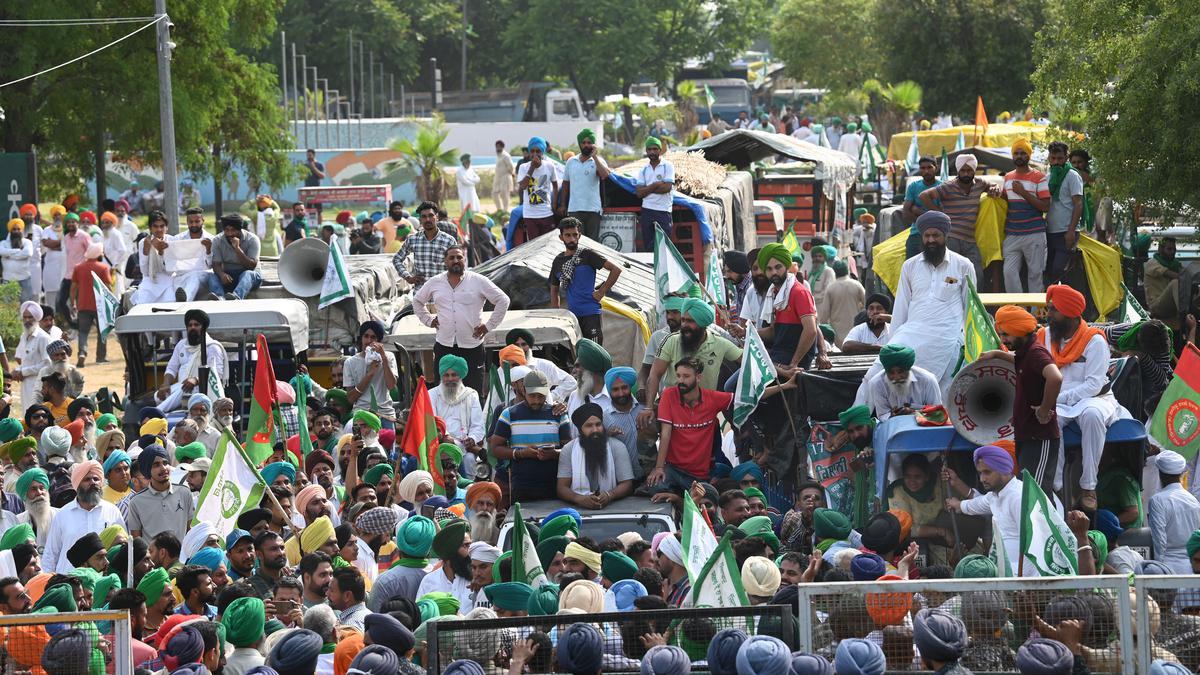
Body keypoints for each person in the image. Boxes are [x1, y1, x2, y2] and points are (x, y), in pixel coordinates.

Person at [861, 211, 975, 400]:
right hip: (912, 333)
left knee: (944, 385)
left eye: (935, 235)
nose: (931, 240)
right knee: (873, 376)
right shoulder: (910, 265)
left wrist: (966, 342)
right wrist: (892, 343)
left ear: (945, 236)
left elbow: (969, 307)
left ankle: (937, 424)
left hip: (948, 337)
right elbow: (901, 307)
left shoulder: (963, 265)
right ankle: (859, 421)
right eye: (927, 236)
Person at [1041, 284, 1126, 510]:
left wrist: (1057, 398)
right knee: (1050, 419)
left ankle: (1089, 487)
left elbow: (1094, 384)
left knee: (1091, 416)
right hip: (1057, 400)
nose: (1048, 315)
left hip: (1094, 398)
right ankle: (1057, 486)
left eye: (1053, 310)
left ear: (1069, 313)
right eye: (1048, 309)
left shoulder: (1094, 340)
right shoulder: (1045, 336)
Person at [985, 305, 1063, 496]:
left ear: (1020, 331)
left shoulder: (1036, 353)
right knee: (1028, 493)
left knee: (1037, 494)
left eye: (1006, 335)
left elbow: (1055, 377)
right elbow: (1020, 362)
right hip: (1026, 435)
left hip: (1040, 436)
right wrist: (997, 354)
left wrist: (1044, 410)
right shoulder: (1025, 352)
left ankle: (1047, 527)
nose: (1003, 340)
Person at [413, 245, 511, 394]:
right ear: (445, 261)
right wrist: (428, 320)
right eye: (451, 258)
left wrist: (489, 326)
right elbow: (417, 301)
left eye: (459, 257)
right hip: (444, 344)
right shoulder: (435, 282)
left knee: (473, 390)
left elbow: (503, 300)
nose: (456, 260)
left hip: (472, 346)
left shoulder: (478, 280)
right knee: (443, 391)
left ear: (464, 259)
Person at [945, 446, 1043, 576]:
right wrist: (957, 503)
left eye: (987, 472)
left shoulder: (1018, 497)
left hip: (1022, 578)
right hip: (1003, 574)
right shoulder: (995, 495)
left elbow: (1033, 545)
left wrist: (1021, 581)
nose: (982, 479)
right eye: (980, 473)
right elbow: (974, 504)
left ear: (1003, 469)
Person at [646, 357, 733, 492]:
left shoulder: (713, 398)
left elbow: (744, 399)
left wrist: (777, 387)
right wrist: (659, 468)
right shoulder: (669, 395)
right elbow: (666, 432)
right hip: (673, 470)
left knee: (709, 499)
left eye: (686, 376)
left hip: (700, 475)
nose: (681, 380)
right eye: (678, 376)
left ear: (698, 378)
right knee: (654, 488)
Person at [489, 370, 572, 503]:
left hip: (553, 485)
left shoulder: (558, 414)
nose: (536, 401)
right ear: (523, 390)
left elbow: (569, 449)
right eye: (532, 396)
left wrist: (554, 454)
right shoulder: (509, 414)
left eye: (541, 396)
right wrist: (521, 454)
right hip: (521, 486)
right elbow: (495, 448)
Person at [642, 299, 742, 401]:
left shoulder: (720, 343)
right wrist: (649, 407)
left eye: (690, 321)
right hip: (672, 404)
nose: (684, 325)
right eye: (683, 320)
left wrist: (745, 333)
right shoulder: (671, 341)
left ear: (702, 323)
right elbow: (655, 374)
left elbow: (747, 360)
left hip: (703, 407)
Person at [919, 154, 993, 282]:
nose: (966, 174)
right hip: (951, 238)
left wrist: (995, 188)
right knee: (951, 277)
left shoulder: (980, 184)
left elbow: (992, 186)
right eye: (963, 170)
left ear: (974, 171)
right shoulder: (949, 186)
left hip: (970, 239)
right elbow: (924, 196)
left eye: (969, 170)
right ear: (958, 171)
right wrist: (940, 215)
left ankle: (974, 302)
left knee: (976, 276)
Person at [756, 243, 829, 371]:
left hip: (792, 360)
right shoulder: (774, 293)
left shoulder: (799, 292)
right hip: (778, 355)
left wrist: (793, 364)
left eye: (778, 267)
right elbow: (775, 332)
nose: (774, 272)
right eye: (769, 269)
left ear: (787, 267)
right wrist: (747, 332)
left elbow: (811, 330)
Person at [43, 461, 124, 573]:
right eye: (87, 479)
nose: (93, 483)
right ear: (77, 484)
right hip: (70, 580)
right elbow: (50, 555)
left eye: (96, 479)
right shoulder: (62, 514)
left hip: (103, 580)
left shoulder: (112, 511)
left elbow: (123, 548)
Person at [549, 218, 621, 345]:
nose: (572, 239)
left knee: (594, 354)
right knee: (577, 357)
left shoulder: (587, 255)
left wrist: (601, 292)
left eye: (575, 235)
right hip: (572, 318)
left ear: (580, 236)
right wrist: (557, 314)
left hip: (591, 313)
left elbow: (616, 270)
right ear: (561, 237)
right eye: (568, 235)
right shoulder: (558, 261)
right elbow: (554, 289)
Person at [557, 403, 634, 508]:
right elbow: (562, 488)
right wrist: (579, 498)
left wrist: (609, 495)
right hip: (578, 509)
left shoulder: (617, 446)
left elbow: (627, 484)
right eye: (589, 426)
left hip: (613, 508)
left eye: (598, 424)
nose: (595, 430)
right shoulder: (569, 450)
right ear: (580, 429)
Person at [1002, 138, 1050, 293]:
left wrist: (1023, 193)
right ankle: (1018, 312)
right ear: (1012, 156)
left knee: (1035, 276)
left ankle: (1036, 315)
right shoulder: (1008, 177)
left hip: (1034, 233)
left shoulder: (1039, 177)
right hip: (1012, 233)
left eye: (1023, 153)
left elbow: (1045, 206)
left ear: (1029, 155)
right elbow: (1005, 200)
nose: (1019, 156)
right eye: (1016, 153)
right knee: (1009, 273)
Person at [156, 309, 226, 412]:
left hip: (202, 389)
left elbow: (217, 374)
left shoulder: (212, 347)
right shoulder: (181, 345)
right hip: (182, 386)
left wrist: (196, 380)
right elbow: (172, 368)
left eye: (196, 324)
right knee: (158, 396)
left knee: (185, 390)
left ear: (203, 327)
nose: (192, 327)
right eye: (190, 325)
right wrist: (166, 384)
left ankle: (156, 413)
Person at [127, 445, 194, 540]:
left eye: (165, 463)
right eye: (156, 465)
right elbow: (137, 541)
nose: (163, 468)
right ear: (147, 470)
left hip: (181, 554)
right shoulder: (136, 502)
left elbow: (190, 531)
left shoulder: (184, 493)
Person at [1148, 451, 1200, 575]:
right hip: (1191, 566)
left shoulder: (1157, 500)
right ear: (1182, 473)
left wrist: (1159, 569)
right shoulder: (1192, 500)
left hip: (1168, 566)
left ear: (1160, 474)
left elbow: (1159, 540)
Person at [863, 344, 942, 421]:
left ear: (908, 368)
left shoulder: (928, 380)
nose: (897, 377)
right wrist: (892, 416)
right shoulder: (876, 383)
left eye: (901, 372)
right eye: (891, 373)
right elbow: (883, 414)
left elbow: (938, 413)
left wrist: (915, 413)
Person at [428, 354, 486, 459]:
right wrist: (446, 437)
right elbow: (432, 422)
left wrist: (472, 438)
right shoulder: (431, 394)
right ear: (441, 376)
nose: (450, 379)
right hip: (439, 445)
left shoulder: (471, 395)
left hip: (465, 447)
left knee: (469, 460)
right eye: (446, 375)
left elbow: (478, 426)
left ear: (460, 376)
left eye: (454, 375)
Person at [392, 201, 457, 291]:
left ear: (437, 217)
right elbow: (397, 259)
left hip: (443, 295)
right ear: (420, 220)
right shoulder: (413, 239)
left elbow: (456, 266)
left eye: (431, 215)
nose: (427, 219)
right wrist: (408, 277)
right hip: (421, 296)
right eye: (424, 217)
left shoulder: (449, 241)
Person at [1045, 141, 1084, 285]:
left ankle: (1064, 305)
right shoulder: (1048, 177)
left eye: (1060, 159)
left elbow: (1078, 204)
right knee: (1049, 271)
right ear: (1049, 158)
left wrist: (1071, 232)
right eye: (1053, 158)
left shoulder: (1072, 175)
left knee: (1059, 270)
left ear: (1066, 157)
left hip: (1066, 231)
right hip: (1050, 231)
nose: (1056, 162)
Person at [560, 129, 611, 239]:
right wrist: (563, 204)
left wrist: (595, 157)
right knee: (576, 242)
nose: (586, 145)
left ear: (593, 145)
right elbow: (565, 183)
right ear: (580, 144)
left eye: (589, 143)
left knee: (592, 244)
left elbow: (605, 175)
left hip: (593, 209)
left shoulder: (598, 160)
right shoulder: (571, 161)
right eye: (583, 143)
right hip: (575, 208)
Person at [69, 243, 112, 367]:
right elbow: (108, 287)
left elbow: (73, 288)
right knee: (102, 331)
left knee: (83, 332)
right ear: (99, 254)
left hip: (83, 305)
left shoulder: (78, 267)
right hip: (100, 306)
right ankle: (101, 357)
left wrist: (73, 303)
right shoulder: (103, 268)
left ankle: (82, 352)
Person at [208, 214, 262, 300]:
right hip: (229, 276)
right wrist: (222, 275)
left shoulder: (252, 239)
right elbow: (216, 264)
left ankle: (236, 297)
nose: (229, 233)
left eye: (233, 230)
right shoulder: (217, 240)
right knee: (212, 276)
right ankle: (219, 298)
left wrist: (237, 248)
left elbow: (251, 266)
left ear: (240, 230)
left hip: (250, 276)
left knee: (247, 274)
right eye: (226, 230)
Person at [635, 137, 675, 250]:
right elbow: (639, 193)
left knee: (664, 245)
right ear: (646, 151)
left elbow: (667, 188)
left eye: (655, 149)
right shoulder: (643, 169)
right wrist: (655, 185)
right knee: (648, 246)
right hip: (647, 210)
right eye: (649, 149)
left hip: (663, 210)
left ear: (660, 150)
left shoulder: (668, 166)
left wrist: (646, 189)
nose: (652, 152)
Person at [517, 136, 559, 240]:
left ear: (543, 152)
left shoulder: (549, 166)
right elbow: (523, 186)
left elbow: (555, 185)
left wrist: (554, 204)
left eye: (538, 151)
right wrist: (532, 168)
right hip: (530, 215)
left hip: (546, 213)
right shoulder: (524, 167)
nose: (535, 154)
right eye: (532, 151)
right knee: (533, 246)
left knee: (547, 244)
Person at [169, 207, 215, 302]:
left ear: (203, 221)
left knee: (194, 276)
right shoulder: (177, 239)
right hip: (181, 276)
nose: (194, 224)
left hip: (202, 276)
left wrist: (208, 250)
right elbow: (172, 262)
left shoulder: (211, 239)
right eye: (191, 222)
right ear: (187, 222)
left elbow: (211, 265)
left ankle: (186, 301)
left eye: (197, 221)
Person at [132, 210, 176, 304]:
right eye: (155, 226)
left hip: (168, 281)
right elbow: (144, 272)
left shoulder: (171, 241)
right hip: (150, 281)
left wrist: (161, 253)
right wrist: (146, 251)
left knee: (170, 302)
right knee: (141, 304)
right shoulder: (143, 242)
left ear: (166, 228)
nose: (159, 229)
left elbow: (170, 271)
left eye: (162, 226)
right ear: (150, 228)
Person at [14, 301, 52, 408]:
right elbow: (23, 360)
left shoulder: (43, 338)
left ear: (36, 318)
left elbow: (47, 365)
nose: (27, 320)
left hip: (38, 385)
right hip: (25, 385)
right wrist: (18, 371)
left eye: (30, 317)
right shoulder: (24, 336)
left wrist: (24, 372)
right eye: (25, 317)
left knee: (37, 416)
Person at [825, 259, 865, 345]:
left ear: (835, 271)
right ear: (847, 270)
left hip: (836, 329)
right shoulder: (856, 284)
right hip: (855, 325)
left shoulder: (830, 288)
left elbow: (825, 313)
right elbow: (867, 304)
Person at [1145, 237, 1181, 318]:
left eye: (1174, 249)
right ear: (1161, 250)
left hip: (1171, 305)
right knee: (1175, 282)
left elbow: (1184, 275)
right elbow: (1172, 275)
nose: (1172, 252)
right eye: (1169, 249)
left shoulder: (1175, 264)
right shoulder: (1152, 263)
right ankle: (1183, 315)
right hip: (1156, 307)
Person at [0, 219, 34, 302]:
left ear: (22, 230)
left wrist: (9, 255)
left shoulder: (27, 242)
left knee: (26, 304)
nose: (16, 231)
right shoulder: (3, 243)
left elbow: (28, 253)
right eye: (14, 229)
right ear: (10, 231)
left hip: (24, 278)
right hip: (8, 279)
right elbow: (1, 252)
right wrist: (18, 251)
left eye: (18, 229)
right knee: (8, 306)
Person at [493, 140, 516, 213]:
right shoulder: (498, 156)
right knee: (494, 193)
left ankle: (505, 211)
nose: (497, 148)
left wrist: (510, 174)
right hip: (498, 178)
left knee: (504, 195)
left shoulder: (506, 156)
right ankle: (499, 210)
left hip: (505, 178)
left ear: (502, 147)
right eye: (496, 147)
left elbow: (511, 167)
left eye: (499, 147)